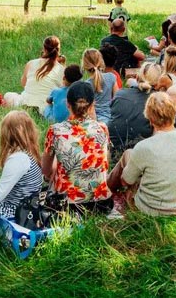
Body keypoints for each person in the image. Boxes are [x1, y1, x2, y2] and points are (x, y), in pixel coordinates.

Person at [107, 92, 176, 216]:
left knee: (129, 157)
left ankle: (106, 189)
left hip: (151, 210)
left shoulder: (145, 147)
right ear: (174, 113)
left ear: (149, 118)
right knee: (130, 154)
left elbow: (125, 181)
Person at [43, 81, 112, 212]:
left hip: (67, 206)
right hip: (100, 204)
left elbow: (46, 170)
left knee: (58, 159)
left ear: (67, 104)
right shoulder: (102, 128)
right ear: (92, 105)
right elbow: (105, 163)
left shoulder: (55, 131)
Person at [108, 63, 163, 154]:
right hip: (143, 151)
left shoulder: (120, 94)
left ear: (137, 78)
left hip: (115, 148)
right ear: (158, 83)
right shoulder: (159, 102)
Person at [4, 36, 66, 116]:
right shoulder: (62, 69)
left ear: (44, 49)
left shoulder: (31, 63)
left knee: (8, 95)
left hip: (25, 102)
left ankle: (29, 108)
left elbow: (23, 84)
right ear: (58, 50)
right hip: (46, 108)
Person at [83, 48, 118, 123]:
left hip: (93, 121)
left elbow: (88, 109)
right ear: (101, 61)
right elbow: (117, 99)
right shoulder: (111, 77)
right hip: (111, 119)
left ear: (85, 65)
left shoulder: (86, 85)